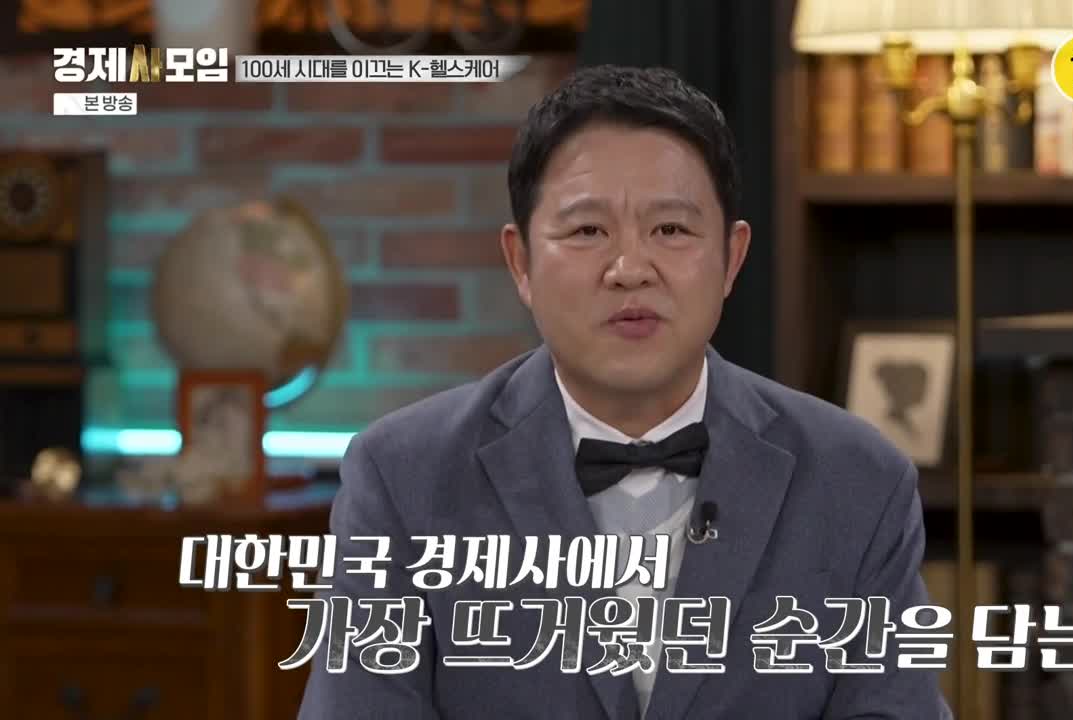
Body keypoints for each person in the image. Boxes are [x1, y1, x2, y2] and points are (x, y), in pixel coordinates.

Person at [299, 65, 951, 720]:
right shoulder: (404, 477)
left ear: (731, 258)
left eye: (671, 230)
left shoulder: (857, 480)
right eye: (587, 231)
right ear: (521, 262)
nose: (630, 269)